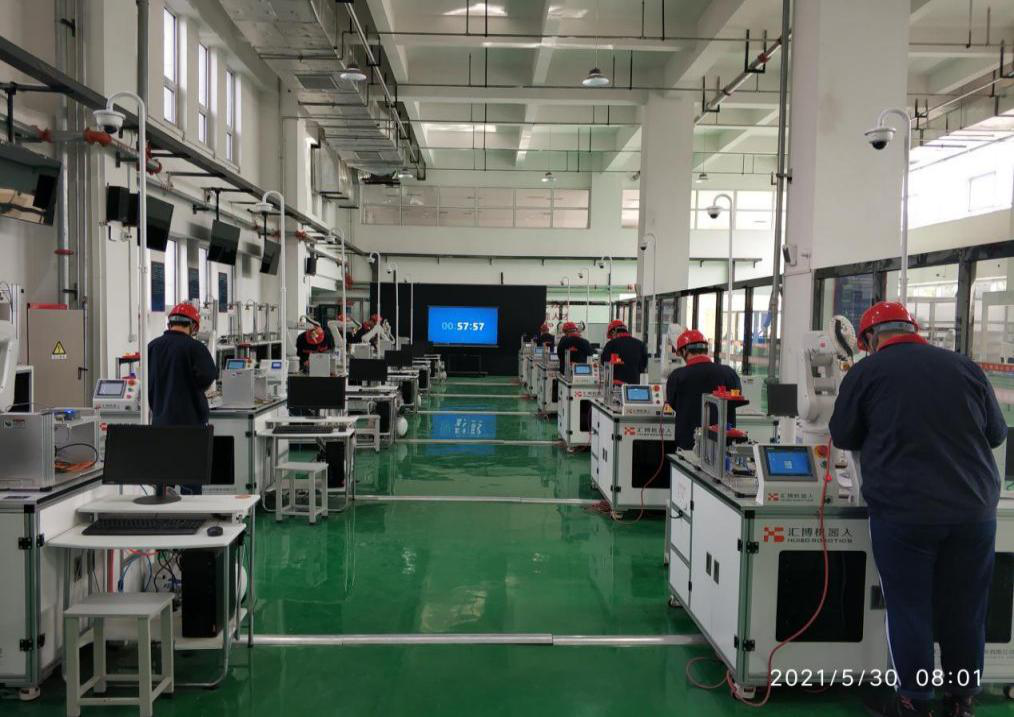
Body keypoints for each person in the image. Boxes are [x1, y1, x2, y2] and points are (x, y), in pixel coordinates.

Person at [828, 301, 1007, 717]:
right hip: (973, 511)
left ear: (868, 340)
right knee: (966, 609)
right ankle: (961, 699)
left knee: (910, 608)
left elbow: (844, 435)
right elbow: (997, 434)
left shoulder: (866, 373)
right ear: (915, 329)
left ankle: (914, 700)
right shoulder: (965, 367)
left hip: (904, 512)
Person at [665, 329, 741, 450]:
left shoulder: (677, 376)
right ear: (706, 349)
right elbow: (736, 400)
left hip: (689, 443)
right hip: (722, 445)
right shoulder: (728, 373)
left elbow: (673, 403)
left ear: (684, 351)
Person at [147, 303, 218, 427]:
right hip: (190, 422)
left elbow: (147, 380)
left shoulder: (152, 346)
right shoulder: (196, 347)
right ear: (193, 326)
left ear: (169, 324)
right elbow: (208, 377)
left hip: (160, 422)